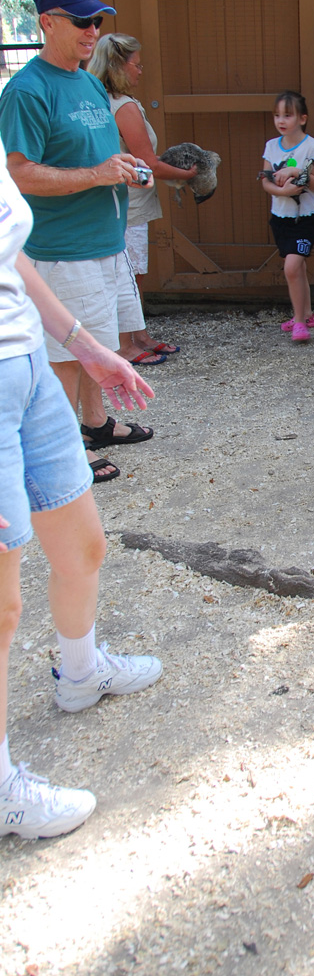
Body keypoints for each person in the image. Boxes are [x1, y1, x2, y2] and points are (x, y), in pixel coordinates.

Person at [0, 142, 162, 839]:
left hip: (27, 360)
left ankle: (79, 672)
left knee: (83, 547)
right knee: (2, 604)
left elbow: (12, 257)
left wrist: (86, 346)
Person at [0, 0, 155, 485]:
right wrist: (96, 175)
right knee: (67, 353)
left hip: (104, 243)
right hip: (62, 250)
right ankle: (66, 448)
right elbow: (19, 172)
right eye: (80, 20)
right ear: (47, 22)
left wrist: (121, 164)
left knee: (99, 343)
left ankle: (96, 424)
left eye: (96, 20)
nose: (93, 31)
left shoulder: (87, 81)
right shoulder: (27, 90)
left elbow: (95, 154)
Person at [89, 32, 196, 365]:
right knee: (128, 273)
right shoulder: (124, 107)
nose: (140, 70)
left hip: (118, 199)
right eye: (137, 64)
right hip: (129, 202)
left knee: (130, 271)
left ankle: (140, 335)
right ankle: (126, 345)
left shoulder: (98, 100)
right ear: (119, 66)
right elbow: (147, 162)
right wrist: (188, 175)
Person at [259, 90, 314, 343]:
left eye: (287, 115)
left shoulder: (312, 147)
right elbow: (265, 181)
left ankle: (299, 323)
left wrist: (297, 171)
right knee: (297, 267)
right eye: (277, 115)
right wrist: (282, 190)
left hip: (304, 218)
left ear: (303, 118)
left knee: (292, 267)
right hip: (280, 216)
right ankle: (307, 313)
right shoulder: (271, 146)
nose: (281, 120)